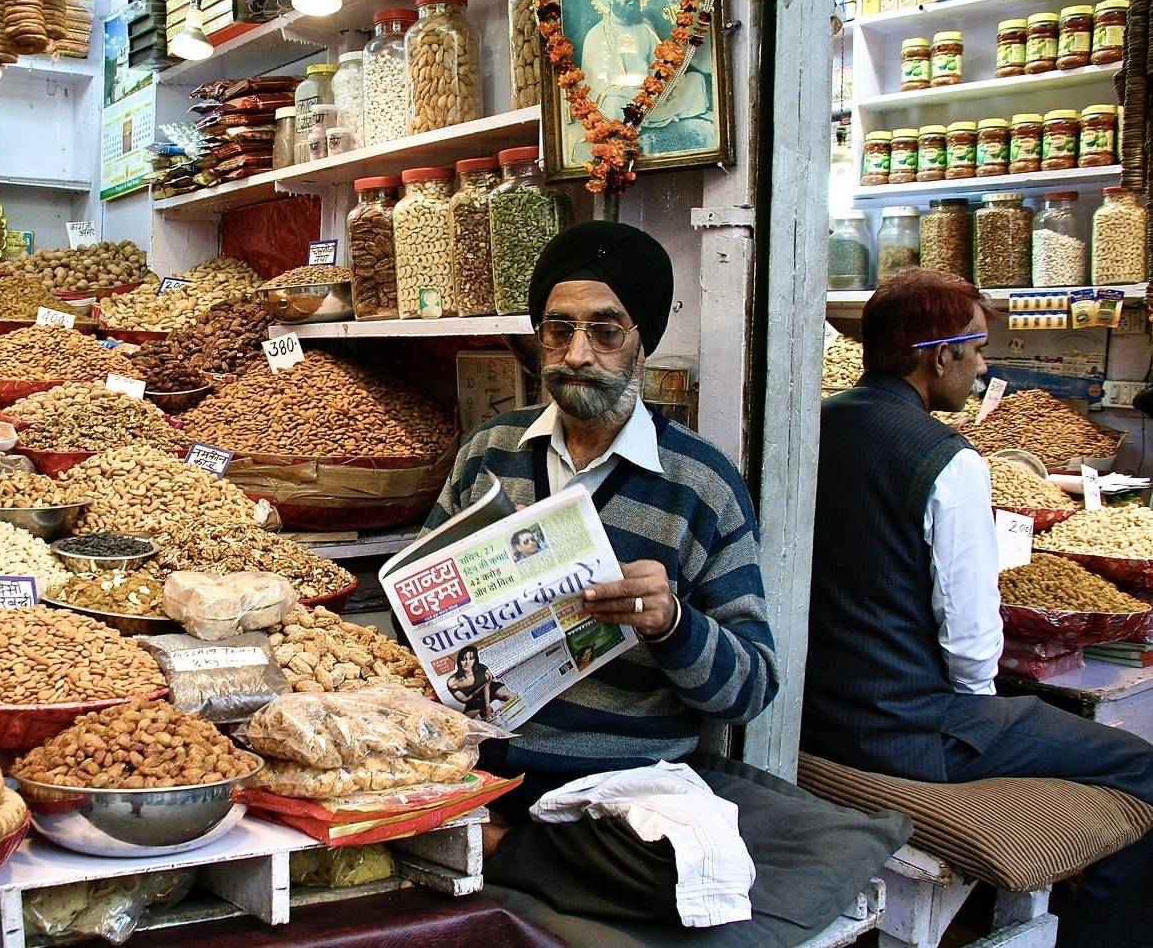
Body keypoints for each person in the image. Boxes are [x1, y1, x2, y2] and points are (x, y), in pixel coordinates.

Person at [427, 221, 908, 945]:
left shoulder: (700, 486)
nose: (577, 353)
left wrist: (674, 623)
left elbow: (752, 687)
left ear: (642, 342)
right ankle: (493, 837)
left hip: (617, 790)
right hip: (482, 766)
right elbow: (416, 609)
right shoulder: (489, 454)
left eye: (604, 331)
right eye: (558, 330)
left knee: (685, 877)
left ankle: (495, 848)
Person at [805, 269, 1153, 948]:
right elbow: (970, 644)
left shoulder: (815, 424)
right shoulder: (949, 460)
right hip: (908, 730)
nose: (984, 367)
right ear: (940, 357)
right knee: (1142, 764)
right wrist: (977, 718)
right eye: (978, 350)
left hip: (816, 710)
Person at [577, 0, 711, 160]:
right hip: (621, 98)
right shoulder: (596, 35)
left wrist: (657, 85)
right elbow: (595, 87)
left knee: (695, 81)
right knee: (612, 105)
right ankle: (648, 118)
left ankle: (656, 115)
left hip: (652, 94)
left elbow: (661, 66)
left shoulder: (645, 26)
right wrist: (628, 91)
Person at [446, 645, 517, 720]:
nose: (467, 662)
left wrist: (487, 706)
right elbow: (464, 699)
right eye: (463, 659)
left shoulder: (481, 668)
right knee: (463, 720)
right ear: (459, 661)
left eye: (471, 658)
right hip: (474, 701)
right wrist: (481, 687)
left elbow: (487, 687)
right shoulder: (452, 681)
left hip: (490, 689)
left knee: (511, 696)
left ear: (475, 659)